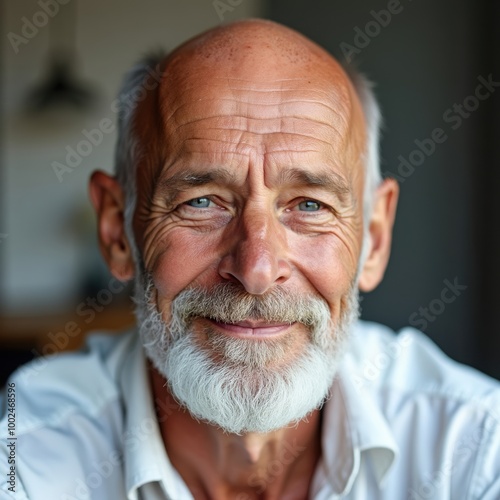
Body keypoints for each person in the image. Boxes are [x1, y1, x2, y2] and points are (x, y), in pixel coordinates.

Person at [1, 18, 499, 500]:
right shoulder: (27, 452)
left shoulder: (474, 444)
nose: (257, 271)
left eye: (309, 205)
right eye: (200, 202)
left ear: (374, 237)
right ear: (116, 231)